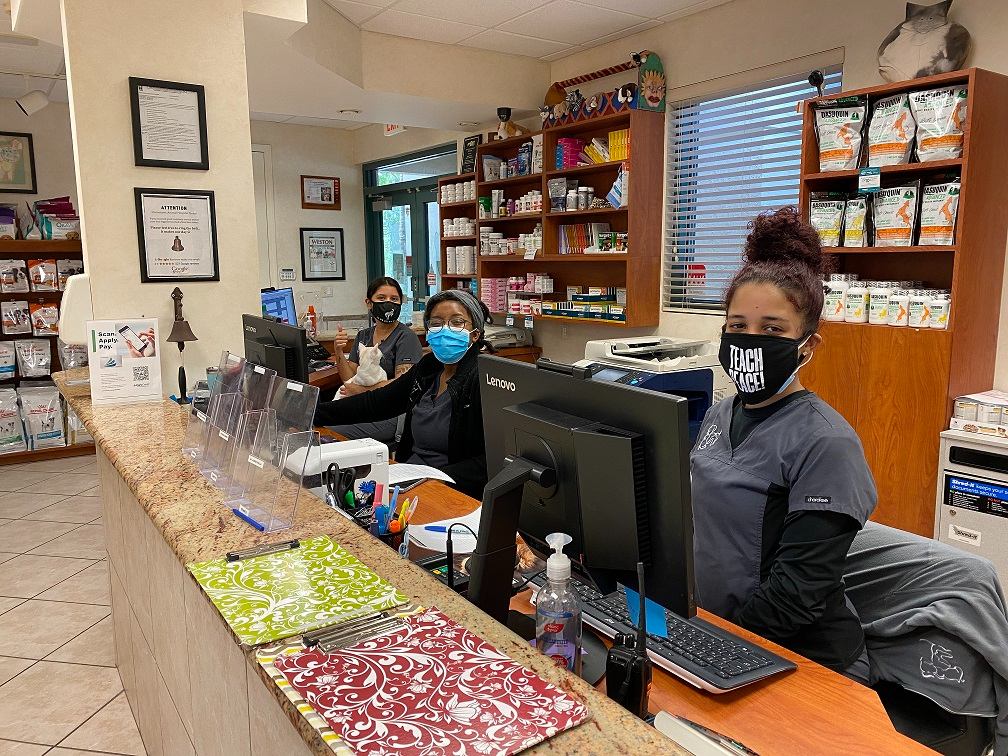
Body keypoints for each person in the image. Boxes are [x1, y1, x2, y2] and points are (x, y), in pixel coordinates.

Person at [690, 207, 877, 682]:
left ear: (807, 346)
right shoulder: (721, 413)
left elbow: (796, 593)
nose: (750, 341)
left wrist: (717, 649)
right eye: (738, 326)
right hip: (711, 632)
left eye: (772, 330)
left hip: (797, 658)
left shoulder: (826, 442)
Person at [315, 288, 491, 498]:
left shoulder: (483, 379)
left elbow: (488, 462)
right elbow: (377, 403)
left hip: (447, 489)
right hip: (407, 479)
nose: (446, 330)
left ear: (475, 334)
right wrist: (313, 412)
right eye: (436, 323)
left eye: (457, 322)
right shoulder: (429, 368)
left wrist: (432, 478)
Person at [326, 276, 422, 443]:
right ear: (369, 303)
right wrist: (339, 351)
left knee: (326, 429)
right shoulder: (364, 335)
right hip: (362, 404)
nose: (388, 303)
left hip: (390, 414)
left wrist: (362, 392)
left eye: (394, 299)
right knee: (316, 416)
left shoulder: (406, 337)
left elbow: (403, 385)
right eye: (381, 298)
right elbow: (350, 379)